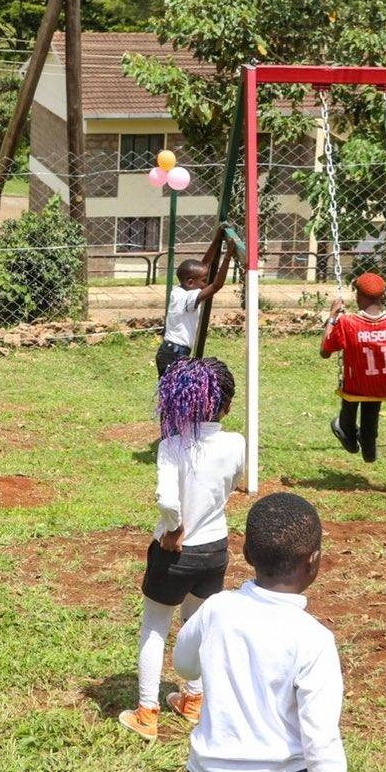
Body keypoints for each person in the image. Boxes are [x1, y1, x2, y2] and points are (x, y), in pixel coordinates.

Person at [160, 493, 376, 772]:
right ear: (314, 562)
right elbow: (320, 738)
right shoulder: (313, 639)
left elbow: (185, 667)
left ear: (244, 553)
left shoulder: (218, 609)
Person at [119, 358, 246, 742]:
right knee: (197, 625)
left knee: (155, 627)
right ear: (225, 405)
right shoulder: (236, 442)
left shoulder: (172, 446)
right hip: (215, 550)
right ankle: (193, 700)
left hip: (176, 551)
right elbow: (233, 483)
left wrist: (174, 529)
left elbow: (167, 499)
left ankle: (146, 712)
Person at [320, 272, 386, 463]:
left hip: (357, 385)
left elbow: (325, 351)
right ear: (383, 297)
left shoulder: (347, 323)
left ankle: (348, 432)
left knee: (353, 396)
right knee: (373, 398)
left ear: (358, 296)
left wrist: (332, 317)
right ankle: (369, 447)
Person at [158, 233, 230, 377]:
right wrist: (228, 255)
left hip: (169, 351)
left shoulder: (179, 290)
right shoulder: (187, 298)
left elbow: (204, 266)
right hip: (175, 354)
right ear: (191, 282)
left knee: (172, 393)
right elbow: (216, 286)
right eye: (203, 281)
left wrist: (217, 239)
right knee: (176, 393)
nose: (205, 284)